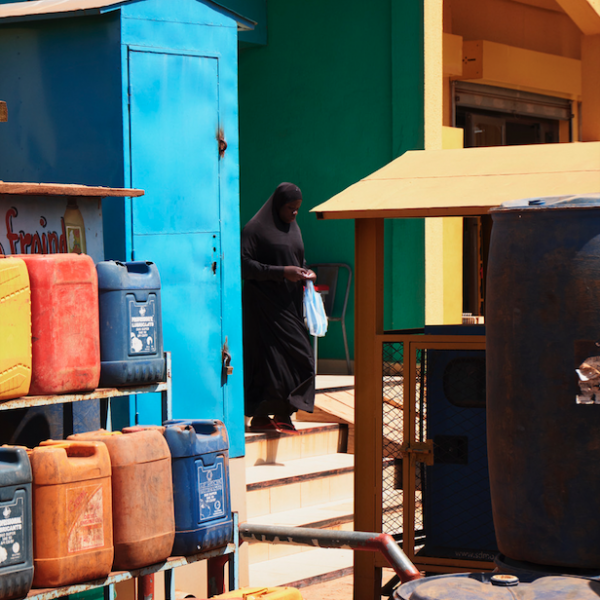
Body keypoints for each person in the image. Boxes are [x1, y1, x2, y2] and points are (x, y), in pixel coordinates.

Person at [241, 182, 316, 433]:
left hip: (289, 304)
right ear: (277, 205)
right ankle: (264, 415)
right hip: (263, 304)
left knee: (298, 357)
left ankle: (281, 413)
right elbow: (244, 265)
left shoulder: (293, 228)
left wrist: (305, 271)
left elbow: (295, 258)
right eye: (290, 207)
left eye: (298, 208)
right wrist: (282, 272)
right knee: (268, 360)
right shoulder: (255, 229)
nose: (294, 213)